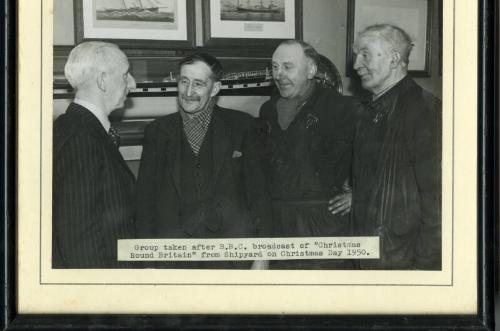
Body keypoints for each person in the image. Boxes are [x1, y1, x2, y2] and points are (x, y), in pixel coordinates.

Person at [136, 53, 270, 269]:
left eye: (198, 84)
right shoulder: (157, 132)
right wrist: (147, 262)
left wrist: (262, 256)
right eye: (183, 81)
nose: (188, 92)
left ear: (215, 89)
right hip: (174, 261)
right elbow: (145, 203)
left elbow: (259, 196)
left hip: (231, 260)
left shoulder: (242, 127)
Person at [258, 40, 359, 269]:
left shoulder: (342, 108)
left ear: (311, 70)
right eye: (274, 67)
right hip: (279, 226)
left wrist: (359, 194)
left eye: (287, 66)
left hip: (324, 227)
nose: (279, 74)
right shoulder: (267, 110)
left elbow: (378, 155)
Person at [350, 24, 442, 270]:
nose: (356, 64)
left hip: (404, 260)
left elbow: (440, 203)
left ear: (393, 60)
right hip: (373, 254)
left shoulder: (425, 111)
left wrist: (424, 268)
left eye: (365, 54)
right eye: (357, 55)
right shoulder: (369, 111)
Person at [52, 41, 137, 268]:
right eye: (126, 75)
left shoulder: (71, 126)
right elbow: (80, 240)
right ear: (102, 80)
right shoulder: (82, 139)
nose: (133, 83)